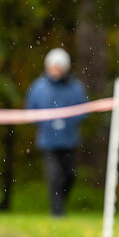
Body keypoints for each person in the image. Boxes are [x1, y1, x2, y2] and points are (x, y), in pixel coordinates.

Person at [25, 47, 87, 216]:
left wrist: (67, 121)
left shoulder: (75, 87)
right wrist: (46, 123)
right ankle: (57, 212)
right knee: (54, 176)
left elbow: (84, 109)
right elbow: (30, 110)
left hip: (69, 140)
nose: (55, 71)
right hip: (48, 141)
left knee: (70, 175)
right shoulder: (38, 87)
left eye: (58, 67)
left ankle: (60, 204)